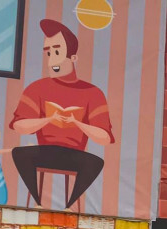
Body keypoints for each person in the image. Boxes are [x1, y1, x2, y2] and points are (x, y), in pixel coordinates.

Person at [10, 19, 114, 210]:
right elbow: (19, 125)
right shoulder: (37, 88)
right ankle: (37, 202)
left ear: (73, 57)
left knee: (96, 162)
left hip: (75, 155)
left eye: (57, 52)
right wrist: (49, 119)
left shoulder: (93, 93)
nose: (52, 60)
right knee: (19, 153)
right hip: (45, 151)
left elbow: (104, 138)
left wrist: (77, 122)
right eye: (49, 53)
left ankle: (69, 206)